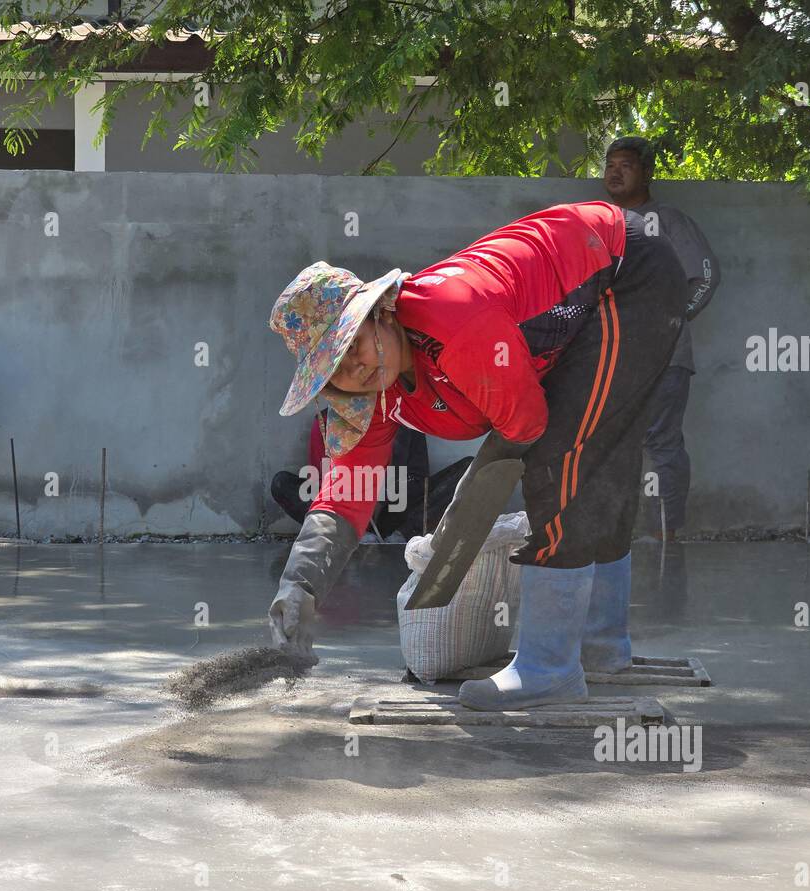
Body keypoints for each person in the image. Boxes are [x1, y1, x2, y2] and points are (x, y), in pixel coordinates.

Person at [266, 202, 686, 710]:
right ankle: (599, 647)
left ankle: (549, 667)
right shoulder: (370, 395)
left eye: (355, 343)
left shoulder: (452, 317)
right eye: (337, 366)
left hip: (624, 270)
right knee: (596, 451)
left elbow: (527, 424)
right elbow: (348, 492)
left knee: (561, 458)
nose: (356, 367)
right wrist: (301, 584)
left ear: (380, 312)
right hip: (588, 297)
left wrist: (465, 507)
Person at [603, 136, 720, 538]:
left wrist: (670, 320)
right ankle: (620, 537)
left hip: (664, 358)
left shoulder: (668, 221)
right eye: (610, 164)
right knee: (613, 445)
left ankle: (669, 534)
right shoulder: (602, 223)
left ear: (647, 173)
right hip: (613, 362)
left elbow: (704, 276)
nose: (615, 172)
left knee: (661, 442)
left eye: (626, 165)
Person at [270, 411, 470, 540]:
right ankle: (354, 538)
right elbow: (320, 485)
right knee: (282, 484)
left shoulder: (405, 421)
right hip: (347, 513)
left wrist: (386, 488)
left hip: (395, 512)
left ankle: (401, 535)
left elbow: (419, 480)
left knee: (470, 469)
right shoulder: (324, 423)